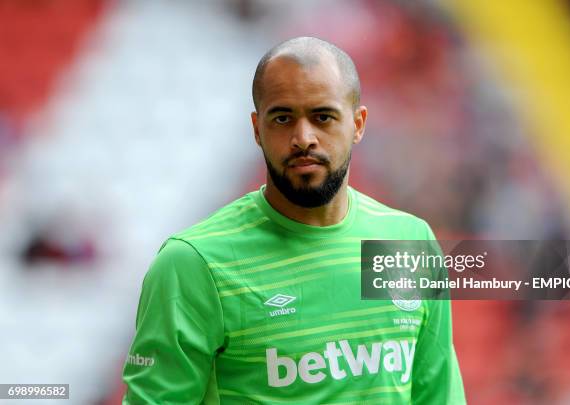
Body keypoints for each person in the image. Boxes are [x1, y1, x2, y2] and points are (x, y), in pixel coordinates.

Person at [122, 36, 465, 404]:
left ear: (358, 123)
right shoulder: (193, 264)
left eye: (323, 117)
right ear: (257, 129)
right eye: (283, 118)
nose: (303, 138)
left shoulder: (408, 240)